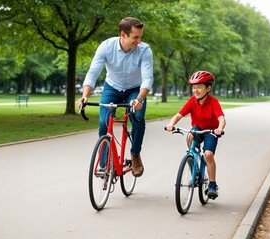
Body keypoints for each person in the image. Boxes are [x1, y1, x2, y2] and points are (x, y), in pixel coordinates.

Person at [77, 17, 153, 177]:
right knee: (103, 123)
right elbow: (93, 73)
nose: (139, 41)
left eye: (141, 37)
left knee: (138, 118)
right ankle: (104, 163)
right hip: (112, 88)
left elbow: (147, 79)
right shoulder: (106, 47)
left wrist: (139, 99)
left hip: (135, 89)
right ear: (123, 35)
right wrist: (85, 96)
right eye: (135, 37)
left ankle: (135, 154)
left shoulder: (144, 50)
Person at [165, 71, 226, 199]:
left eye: (199, 87)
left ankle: (212, 185)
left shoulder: (213, 102)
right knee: (190, 135)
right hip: (198, 129)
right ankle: (192, 158)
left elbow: (221, 118)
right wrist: (171, 124)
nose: (195, 90)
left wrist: (219, 129)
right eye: (193, 87)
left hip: (211, 131)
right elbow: (179, 115)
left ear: (208, 88)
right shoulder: (192, 101)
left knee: (208, 155)